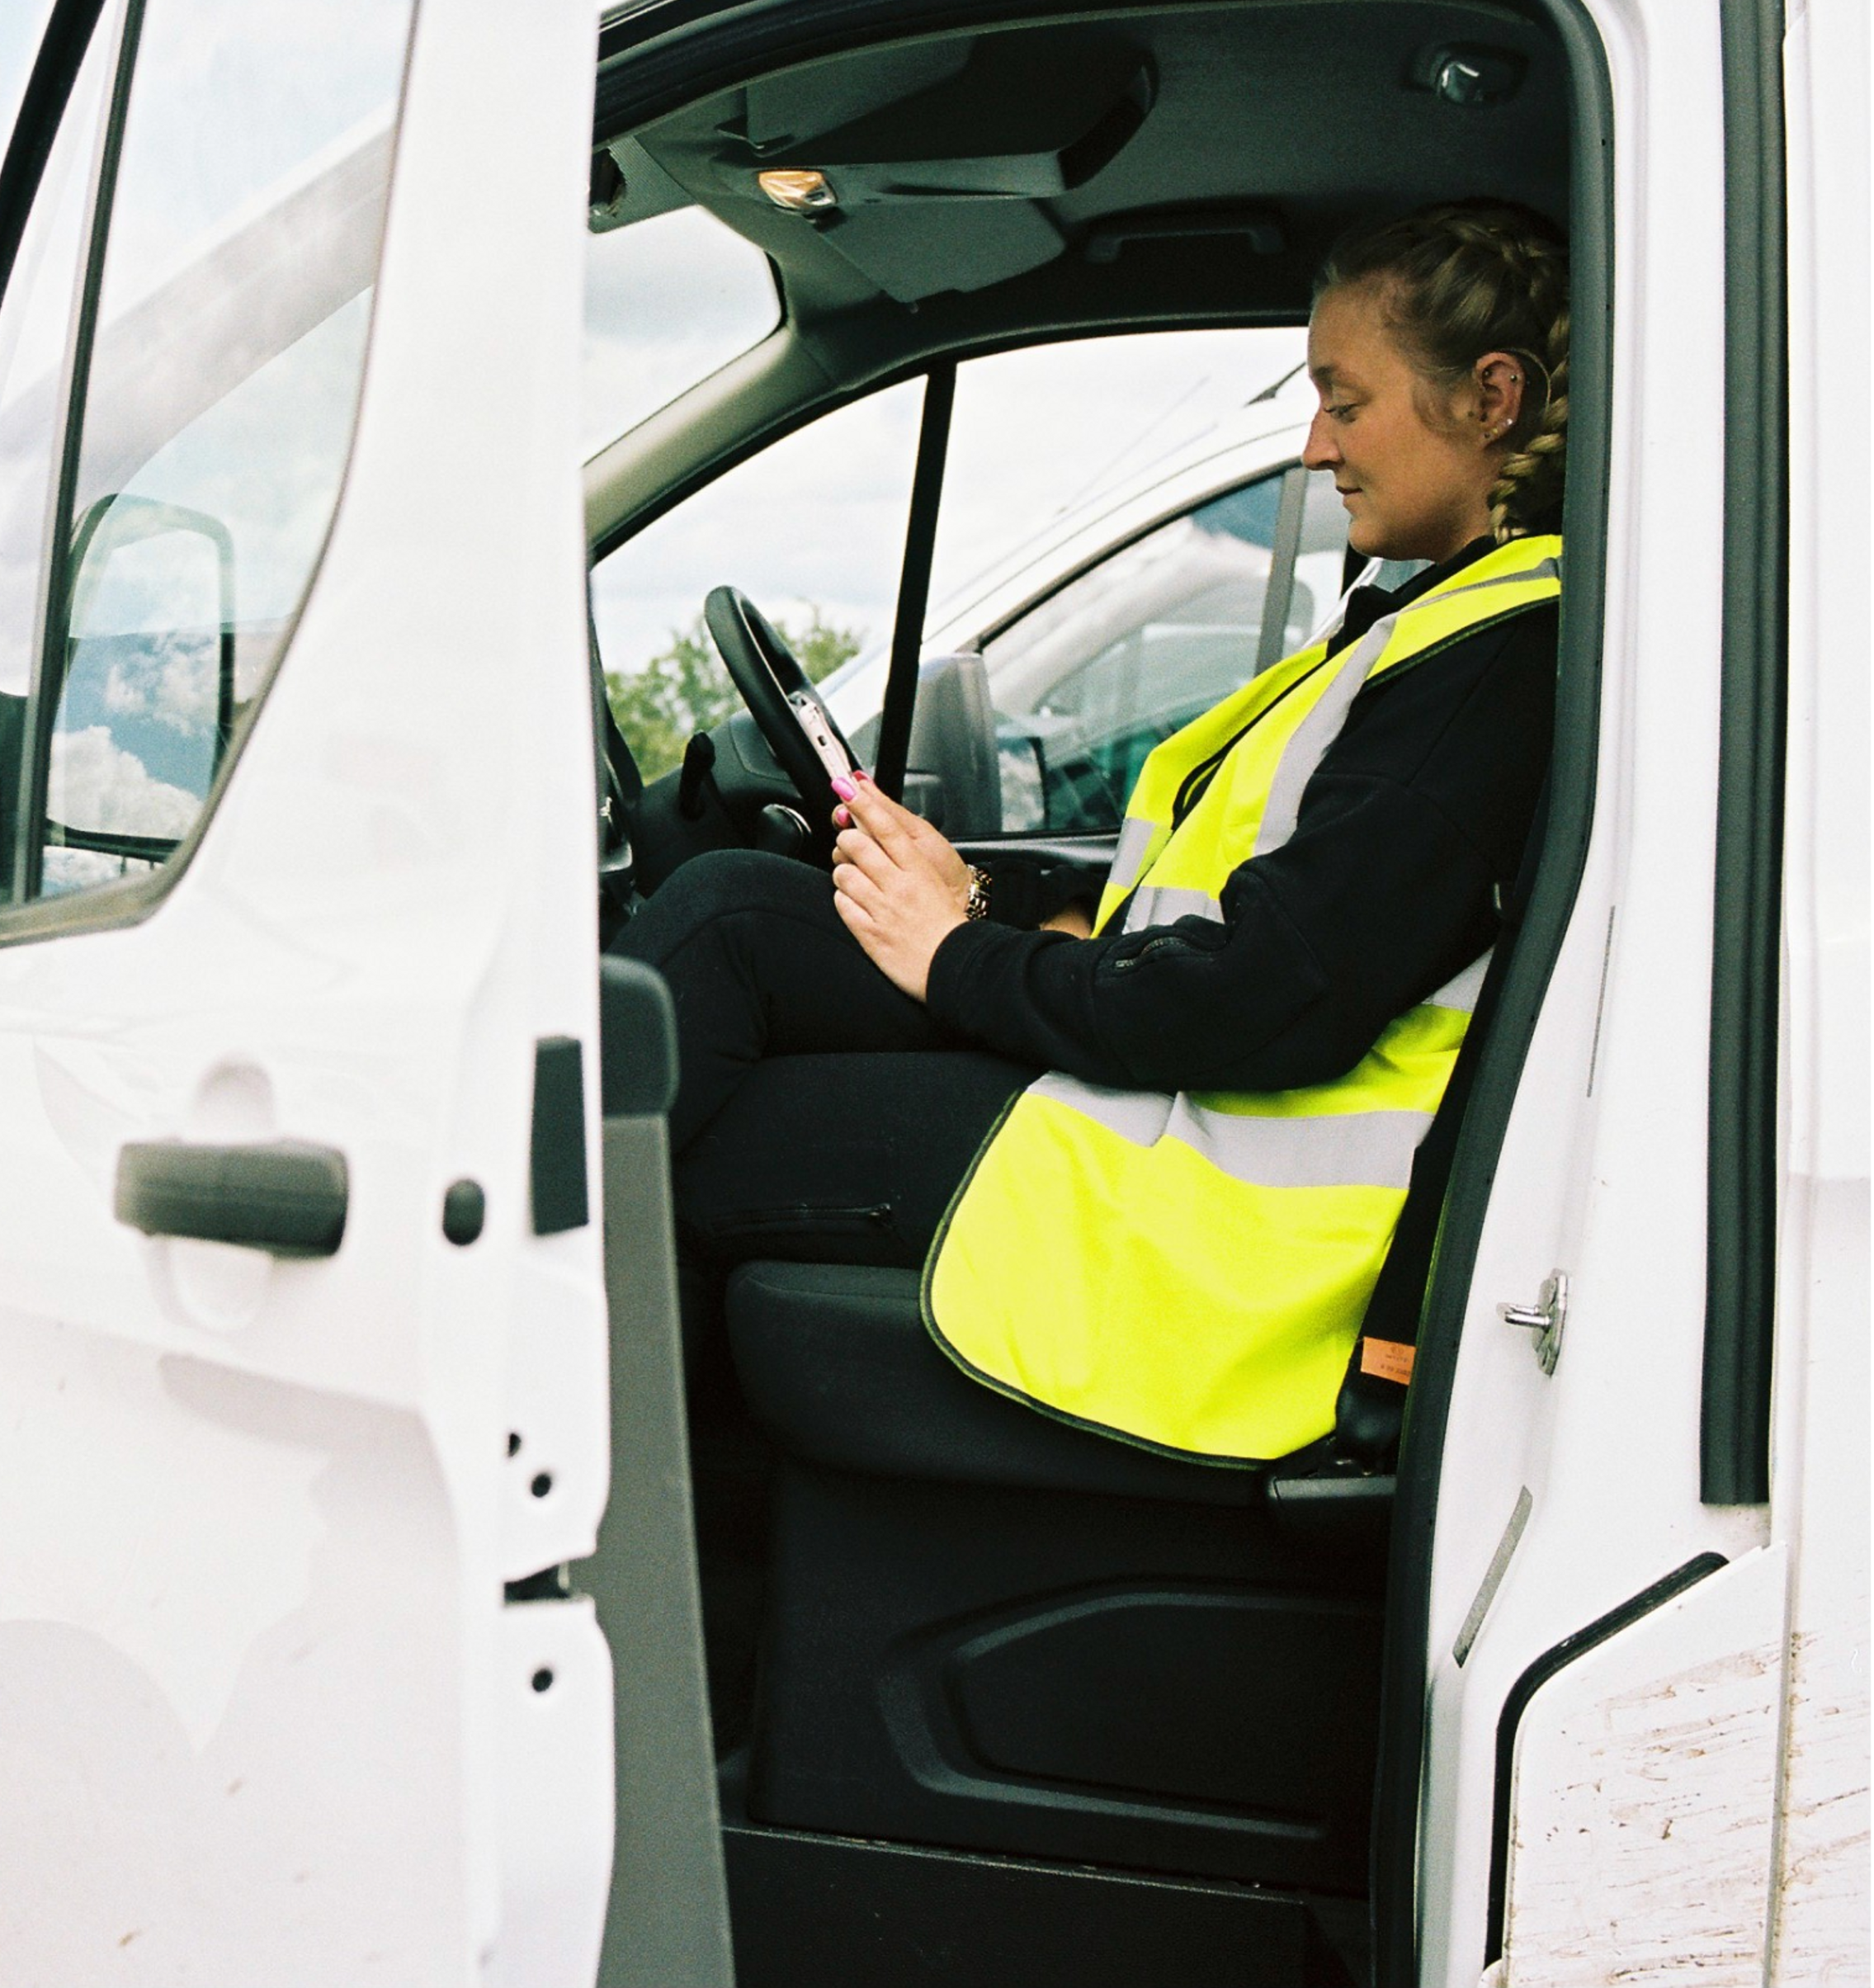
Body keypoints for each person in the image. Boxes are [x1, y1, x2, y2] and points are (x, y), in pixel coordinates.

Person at [615, 197, 1570, 1465]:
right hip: (1162, 1102)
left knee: (688, 1141)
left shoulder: (1490, 671)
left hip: (1207, 1205)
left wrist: (961, 956)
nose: (1312, 445)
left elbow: (1269, 995)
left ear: (1490, 398)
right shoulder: (1439, 623)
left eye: (1345, 401)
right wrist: (997, 914)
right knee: (737, 914)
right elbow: (1246, 915)